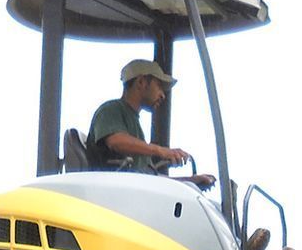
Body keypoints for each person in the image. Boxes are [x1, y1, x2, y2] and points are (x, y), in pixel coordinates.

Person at [88, 59, 216, 189]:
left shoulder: (135, 129)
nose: (162, 95)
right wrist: (160, 151)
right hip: (112, 194)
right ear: (141, 82)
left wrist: (189, 181)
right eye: (159, 86)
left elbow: (149, 177)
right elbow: (116, 142)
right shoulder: (110, 109)